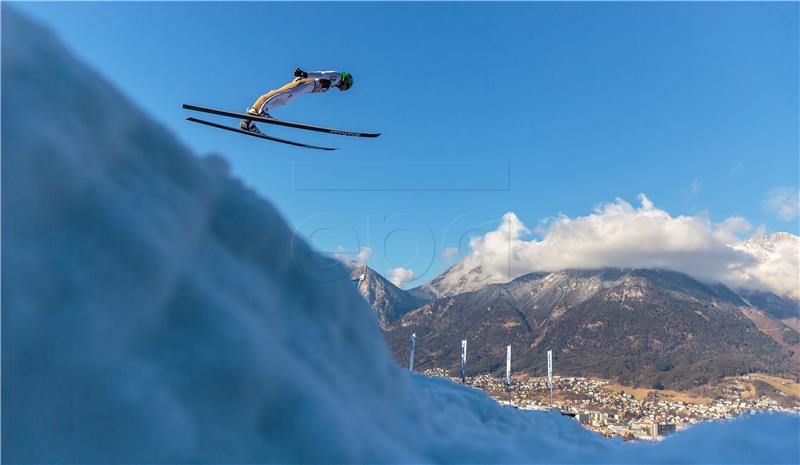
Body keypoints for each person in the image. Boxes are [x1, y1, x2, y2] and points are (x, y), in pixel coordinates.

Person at [240, 68, 354, 133]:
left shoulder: (333, 84)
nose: (343, 89)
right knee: (283, 93)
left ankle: (248, 123)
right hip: (307, 82)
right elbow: (322, 74)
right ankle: (257, 111)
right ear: (346, 80)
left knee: (284, 101)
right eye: (345, 87)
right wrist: (305, 74)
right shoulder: (337, 76)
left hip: (306, 88)